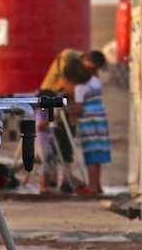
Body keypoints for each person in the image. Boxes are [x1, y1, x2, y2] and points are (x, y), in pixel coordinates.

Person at [38, 49, 107, 192]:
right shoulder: (67, 58)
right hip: (53, 100)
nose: (90, 71)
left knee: (66, 144)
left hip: (71, 108)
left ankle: (66, 179)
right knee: (49, 146)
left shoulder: (87, 78)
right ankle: (49, 179)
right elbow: (66, 84)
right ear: (84, 58)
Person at [64, 55, 110, 195]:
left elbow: (79, 109)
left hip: (88, 123)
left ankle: (92, 186)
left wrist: (66, 109)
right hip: (100, 119)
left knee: (90, 154)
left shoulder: (80, 88)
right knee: (98, 154)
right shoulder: (95, 80)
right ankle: (98, 184)